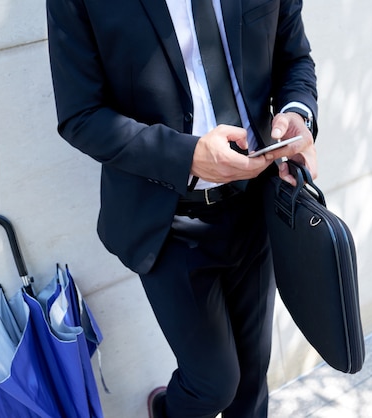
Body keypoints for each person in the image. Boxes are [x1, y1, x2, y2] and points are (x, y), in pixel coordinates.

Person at [46, 0, 318, 417]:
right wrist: (185, 156)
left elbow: (293, 57)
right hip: (167, 220)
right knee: (213, 385)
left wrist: (298, 113)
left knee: (251, 380)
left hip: (254, 205)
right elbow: (80, 115)